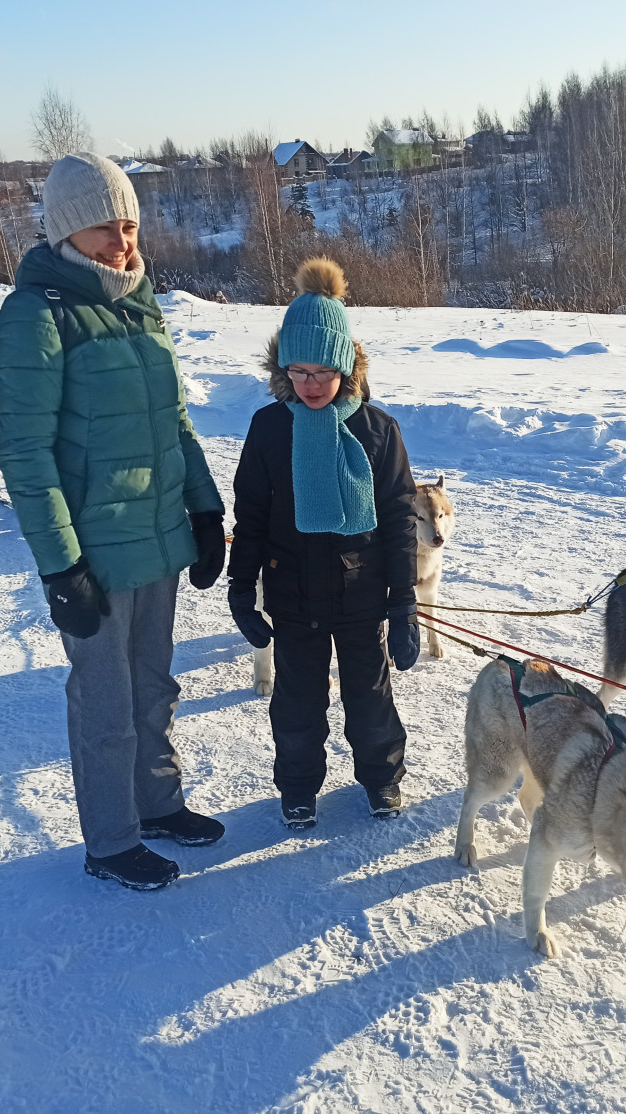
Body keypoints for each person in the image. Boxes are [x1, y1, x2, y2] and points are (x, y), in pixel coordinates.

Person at [0, 152, 227, 891]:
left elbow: (175, 421)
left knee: (154, 687)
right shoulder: (38, 313)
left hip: (157, 538)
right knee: (106, 703)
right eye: (104, 228)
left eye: (128, 225)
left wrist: (203, 504)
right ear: (67, 230)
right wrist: (61, 566)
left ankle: (157, 805)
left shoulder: (139, 300)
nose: (121, 241)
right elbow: (25, 453)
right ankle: (111, 838)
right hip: (94, 552)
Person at [227, 258, 419, 830]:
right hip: (290, 594)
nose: (311, 384)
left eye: (324, 371)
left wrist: (404, 602)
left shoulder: (378, 430)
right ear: (283, 370)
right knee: (297, 703)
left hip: (361, 595)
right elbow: (252, 515)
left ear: (347, 367)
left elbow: (399, 521)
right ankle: (298, 787)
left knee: (370, 699)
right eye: (299, 371)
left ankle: (382, 779)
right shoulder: (269, 428)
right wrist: (242, 588)